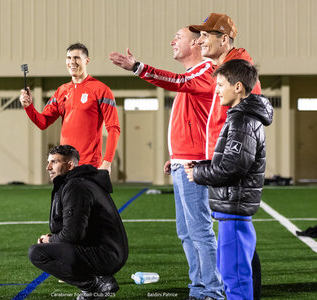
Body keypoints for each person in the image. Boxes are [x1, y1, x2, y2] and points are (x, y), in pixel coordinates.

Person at [110, 28, 224, 300]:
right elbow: (194, 120)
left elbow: (175, 81)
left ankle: (213, 291)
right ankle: (199, 288)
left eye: (178, 37)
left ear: (195, 42)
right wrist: (175, 156)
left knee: (200, 230)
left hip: (194, 166)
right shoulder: (192, 76)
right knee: (186, 232)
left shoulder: (205, 69)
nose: (172, 41)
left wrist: (138, 67)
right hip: (184, 162)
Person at [189, 13, 263, 299]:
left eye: (206, 35)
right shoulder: (228, 68)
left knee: (233, 259)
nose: (200, 40)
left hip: (234, 177)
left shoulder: (236, 69)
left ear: (224, 39)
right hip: (228, 171)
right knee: (236, 252)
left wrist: (204, 169)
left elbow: (242, 131)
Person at [28, 145, 128, 300]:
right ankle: (99, 281)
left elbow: (73, 233)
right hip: (107, 250)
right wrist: (53, 238)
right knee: (48, 246)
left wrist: (50, 240)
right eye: (48, 162)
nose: (48, 167)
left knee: (38, 253)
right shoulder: (78, 182)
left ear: (70, 165)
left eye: (54, 162)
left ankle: (95, 285)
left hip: (106, 255)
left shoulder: (76, 186)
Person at [19, 43, 120, 173]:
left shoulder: (101, 90)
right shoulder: (61, 91)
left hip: (89, 165)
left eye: (76, 58)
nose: (72, 62)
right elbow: (43, 123)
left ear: (86, 61)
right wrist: (28, 107)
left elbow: (114, 129)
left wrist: (107, 163)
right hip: (65, 166)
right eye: (69, 58)